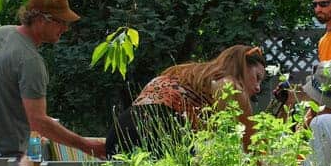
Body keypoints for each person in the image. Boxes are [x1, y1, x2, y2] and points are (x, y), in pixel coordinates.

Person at [0, 0, 106, 166]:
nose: (65, 28)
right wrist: (87, 146)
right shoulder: (30, 61)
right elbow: (38, 122)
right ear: (42, 19)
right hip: (3, 157)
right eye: (61, 22)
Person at [106, 45, 266, 156]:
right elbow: (252, 147)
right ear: (241, 65)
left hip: (118, 132)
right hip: (162, 130)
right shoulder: (230, 84)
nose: (258, 87)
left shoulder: (190, 74)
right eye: (257, 77)